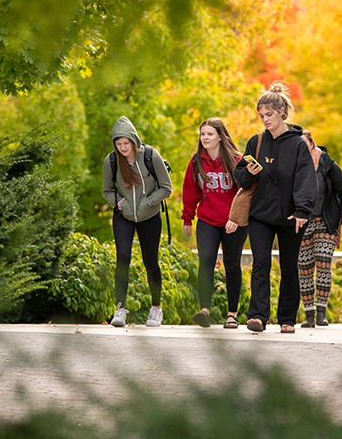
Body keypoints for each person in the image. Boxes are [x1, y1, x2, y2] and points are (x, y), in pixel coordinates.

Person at [233, 81, 316, 334]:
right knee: (260, 264)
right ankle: (257, 316)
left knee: (290, 267)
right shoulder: (256, 142)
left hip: (292, 217)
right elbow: (240, 178)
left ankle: (287, 319)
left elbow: (306, 178)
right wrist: (248, 171)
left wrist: (303, 211)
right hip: (261, 215)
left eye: (269, 115)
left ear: (282, 112)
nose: (265, 120)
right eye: (261, 116)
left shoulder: (299, 144)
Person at [101, 116, 173, 328]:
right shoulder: (111, 161)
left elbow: (166, 187)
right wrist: (120, 204)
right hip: (123, 216)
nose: (123, 148)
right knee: (122, 257)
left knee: (150, 262)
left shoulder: (151, 156)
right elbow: (106, 190)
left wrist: (146, 204)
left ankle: (156, 309)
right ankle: (120, 309)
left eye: (126, 143)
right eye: (118, 143)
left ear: (133, 140)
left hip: (149, 216)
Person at [181, 118, 248, 329]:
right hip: (208, 219)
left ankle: (232, 314)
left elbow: (245, 192)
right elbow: (190, 191)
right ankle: (204, 311)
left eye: (210, 134)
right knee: (206, 261)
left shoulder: (236, 160)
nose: (205, 138)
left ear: (220, 135)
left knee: (231, 264)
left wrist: (236, 218)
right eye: (202, 134)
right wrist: (187, 218)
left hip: (233, 222)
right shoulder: (197, 161)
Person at [298, 130, 342, 328]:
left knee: (323, 261)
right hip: (302, 222)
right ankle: (309, 315)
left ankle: (321, 312)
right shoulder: (294, 166)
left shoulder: (328, 164)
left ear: (312, 144)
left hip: (326, 219)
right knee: (304, 267)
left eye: (304, 145)